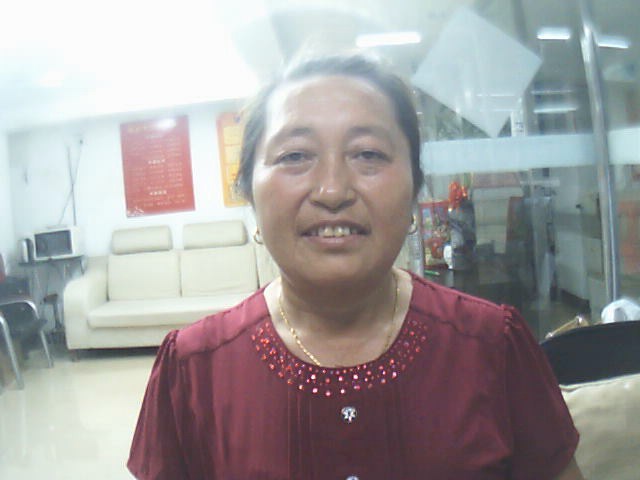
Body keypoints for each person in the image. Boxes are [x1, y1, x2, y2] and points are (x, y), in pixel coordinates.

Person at [128, 54, 583, 479]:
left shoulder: (492, 346)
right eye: (295, 156)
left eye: (368, 154)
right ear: (249, 191)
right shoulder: (193, 372)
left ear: (414, 187)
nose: (332, 191)